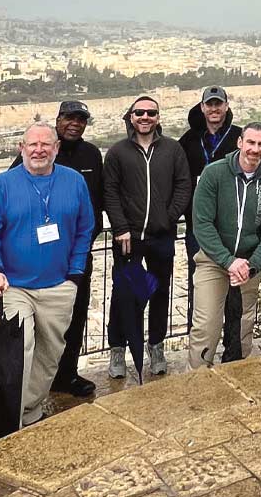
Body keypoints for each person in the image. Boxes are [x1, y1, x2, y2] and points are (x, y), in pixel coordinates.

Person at [0, 122, 95, 427]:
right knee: (20, 351)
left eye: (45, 144)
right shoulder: (1, 186)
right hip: (13, 286)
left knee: (49, 355)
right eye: (32, 144)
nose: (39, 150)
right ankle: (8, 414)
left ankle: (28, 411)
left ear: (56, 149)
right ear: (22, 149)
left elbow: (85, 228)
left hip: (59, 286)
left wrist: (75, 274)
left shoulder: (75, 181)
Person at [9, 100, 104, 397]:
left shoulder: (91, 155)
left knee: (74, 319)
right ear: (58, 120)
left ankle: (67, 375)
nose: (74, 123)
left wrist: (82, 248)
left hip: (76, 256)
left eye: (81, 119)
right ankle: (33, 383)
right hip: (36, 259)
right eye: (69, 118)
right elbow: (11, 197)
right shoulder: (36, 154)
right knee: (35, 326)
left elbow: (97, 203)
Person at [104, 96, 193, 377]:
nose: (145, 117)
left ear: (158, 117)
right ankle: (118, 348)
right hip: (128, 238)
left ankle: (156, 345)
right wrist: (120, 228)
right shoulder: (118, 152)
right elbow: (111, 193)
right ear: (130, 117)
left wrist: (166, 219)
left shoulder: (172, 149)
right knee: (123, 295)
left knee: (159, 293)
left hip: (161, 236)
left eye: (151, 112)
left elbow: (183, 186)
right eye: (139, 112)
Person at [188, 123, 261, 368]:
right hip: (213, 260)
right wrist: (228, 261)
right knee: (206, 325)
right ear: (240, 143)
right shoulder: (214, 174)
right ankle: (196, 383)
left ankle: (238, 376)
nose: (255, 149)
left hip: (248, 262)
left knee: (243, 326)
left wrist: (250, 265)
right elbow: (202, 224)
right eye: (251, 142)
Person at [178, 86, 242, 358]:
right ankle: (203, 352)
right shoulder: (189, 141)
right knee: (201, 289)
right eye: (210, 105)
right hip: (199, 227)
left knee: (236, 290)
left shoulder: (239, 136)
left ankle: (233, 347)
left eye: (219, 104)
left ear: (227, 106)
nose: (214, 110)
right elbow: (179, 181)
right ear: (202, 108)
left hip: (233, 226)